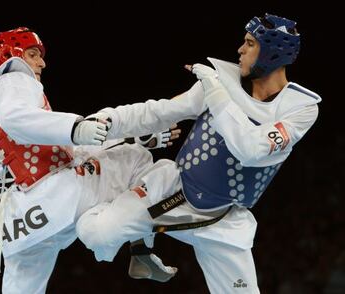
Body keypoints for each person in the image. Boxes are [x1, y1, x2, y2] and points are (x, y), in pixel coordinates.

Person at [76, 13, 322, 293]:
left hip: (222, 220)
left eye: (250, 43)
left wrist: (217, 94)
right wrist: (107, 120)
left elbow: (250, 150)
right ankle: (140, 241)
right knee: (97, 234)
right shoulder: (221, 82)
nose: (240, 50)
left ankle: (140, 239)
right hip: (174, 193)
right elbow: (157, 112)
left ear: (272, 52)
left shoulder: (300, 108)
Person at [0, 27, 179, 293]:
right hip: (58, 196)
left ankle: (130, 240)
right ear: (12, 56)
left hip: (23, 220)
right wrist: (77, 127)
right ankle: (140, 246)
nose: (41, 62)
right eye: (33, 54)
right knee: (137, 160)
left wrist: (133, 137)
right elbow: (16, 119)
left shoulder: (10, 113)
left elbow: (71, 151)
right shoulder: (12, 77)